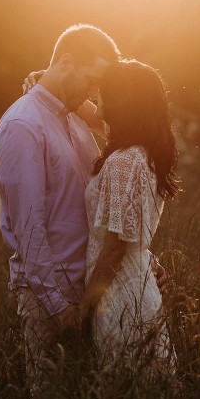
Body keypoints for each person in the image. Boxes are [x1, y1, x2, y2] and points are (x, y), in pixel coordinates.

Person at [0, 24, 121, 399]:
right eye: (92, 79)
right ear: (66, 62)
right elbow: (29, 230)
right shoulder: (22, 126)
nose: (95, 92)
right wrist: (58, 307)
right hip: (54, 296)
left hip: (92, 290)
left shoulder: (76, 117)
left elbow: (99, 205)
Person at [79, 59, 180, 373]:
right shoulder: (142, 153)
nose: (97, 103)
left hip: (119, 295)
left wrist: (84, 309)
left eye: (104, 94)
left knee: (122, 391)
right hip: (136, 285)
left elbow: (115, 246)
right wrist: (45, 81)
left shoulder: (124, 161)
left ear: (121, 101)